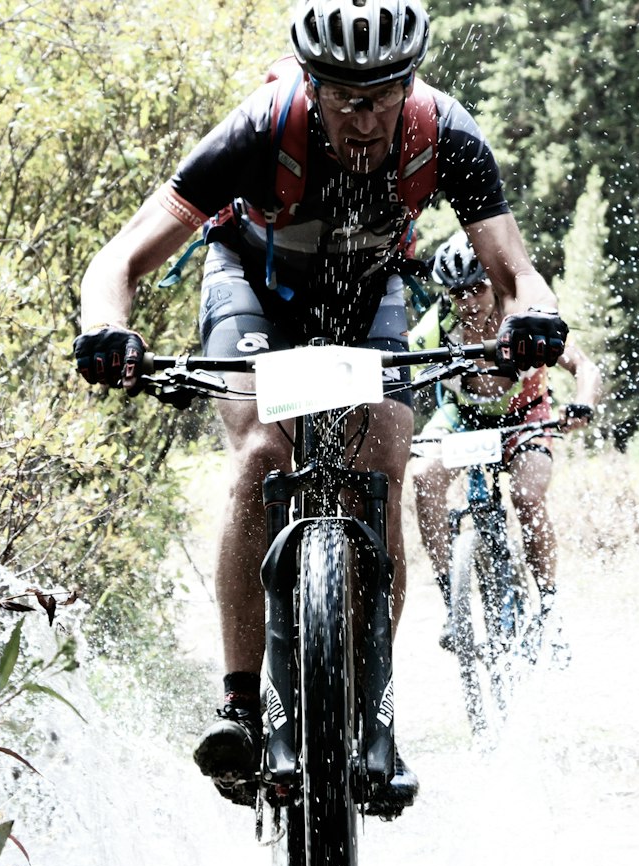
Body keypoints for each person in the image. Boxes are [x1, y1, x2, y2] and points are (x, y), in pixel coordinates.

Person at [70, 0, 568, 807]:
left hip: (367, 298)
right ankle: (237, 706)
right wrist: (106, 327)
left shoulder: (446, 133)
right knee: (262, 457)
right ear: (312, 83)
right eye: (346, 97)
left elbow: (514, 269)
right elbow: (119, 258)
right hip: (253, 290)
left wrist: (532, 315)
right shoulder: (260, 128)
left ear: (409, 82)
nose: (366, 119)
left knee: (386, 457)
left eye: (384, 95)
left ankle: (375, 714)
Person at [410, 230, 603, 656]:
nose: (468, 303)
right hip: (463, 421)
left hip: (525, 418)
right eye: (457, 294)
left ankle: (549, 607)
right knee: (423, 476)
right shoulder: (435, 328)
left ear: (493, 285)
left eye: (477, 289)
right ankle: (451, 604)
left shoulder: (526, 316)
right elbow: (394, 374)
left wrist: (582, 405)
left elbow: (584, 368)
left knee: (527, 495)